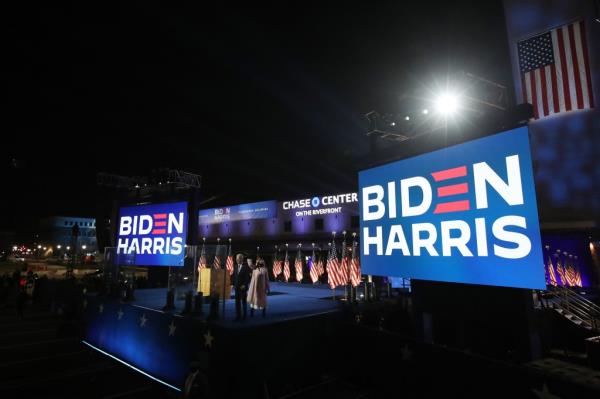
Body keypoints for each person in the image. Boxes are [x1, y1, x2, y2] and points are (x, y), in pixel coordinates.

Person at [232, 253, 251, 321]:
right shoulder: (235, 266)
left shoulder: (246, 267)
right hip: (237, 288)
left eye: (238, 258)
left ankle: (244, 316)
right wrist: (233, 284)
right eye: (236, 258)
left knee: (243, 302)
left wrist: (245, 285)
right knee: (237, 303)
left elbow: (247, 278)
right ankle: (238, 316)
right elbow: (234, 277)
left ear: (241, 259)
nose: (237, 260)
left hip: (243, 288)